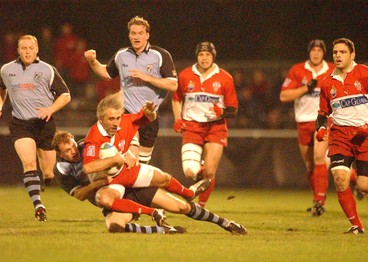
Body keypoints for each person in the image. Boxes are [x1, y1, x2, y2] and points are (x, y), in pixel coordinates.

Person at [52, 130, 247, 235]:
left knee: (181, 207)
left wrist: (127, 152)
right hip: (115, 198)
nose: (73, 151)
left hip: (130, 185)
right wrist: (96, 184)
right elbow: (78, 195)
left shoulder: (88, 146)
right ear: (59, 154)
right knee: (114, 227)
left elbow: (118, 141)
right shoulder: (61, 170)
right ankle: (161, 229)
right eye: (67, 151)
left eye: (72, 146)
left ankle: (226, 223)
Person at [82, 91, 211, 227]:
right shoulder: (94, 136)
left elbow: (147, 117)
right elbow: (87, 167)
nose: (116, 123)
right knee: (104, 199)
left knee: (164, 178)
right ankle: (152, 212)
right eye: (111, 119)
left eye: (117, 118)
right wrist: (114, 159)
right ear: (100, 120)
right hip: (108, 181)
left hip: (126, 171)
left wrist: (150, 112)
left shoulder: (126, 121)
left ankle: (189, 193)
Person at [0, 35, 71, 222]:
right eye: (23, 48)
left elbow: (65, 95)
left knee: (49, 172)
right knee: (29, 164)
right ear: (18, 50)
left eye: (30, 48)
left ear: (37, 50)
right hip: (21, 124)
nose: (27, 51)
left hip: (44, 124)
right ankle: (38, 205)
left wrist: (50, 109)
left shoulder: (47, 70)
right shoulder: (7, 69)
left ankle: (48, 181)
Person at [84, 16, 178, 164]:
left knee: (141, 165)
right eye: (133, 33)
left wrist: (147, 78)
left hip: (149, 115)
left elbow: (173, 85)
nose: (136, 37)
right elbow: (107, 74)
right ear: (129, 35)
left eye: (140, 33)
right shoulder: (122, 55)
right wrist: (93, 62)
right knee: (129, 158)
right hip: (127, 114)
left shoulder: (160, 55)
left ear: (147, 35)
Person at [171, 42, 238, 207]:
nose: (204, 58)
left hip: (216, 127)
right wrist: (178, 119)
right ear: (197, 56)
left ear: (213, 56)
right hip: (192, 126)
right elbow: (176, 98)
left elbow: (233, 109)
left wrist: (221, 112)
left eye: (208, 54)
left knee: (209, 171)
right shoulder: (186, 75)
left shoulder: (225, 78)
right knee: (189, 172)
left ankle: (201, 206)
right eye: (201, 54)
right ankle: (199, 171)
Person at [315, 38, 368, 234]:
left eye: (342, 52)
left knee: (364, 185)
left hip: (365, 136)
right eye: (335, 52)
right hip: (340, 136)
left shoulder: (364, 74)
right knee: (339, 178)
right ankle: (356, 226)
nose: (337, 55)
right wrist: (320, 129)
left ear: (352, 55)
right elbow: (322, 113)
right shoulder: (328, 83)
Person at [279, 39, 335, 216]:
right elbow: (283, 96)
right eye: (313, 50)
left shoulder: (332, 70)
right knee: (310, 164)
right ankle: (318, 198)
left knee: (320, 157)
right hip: (303, 122)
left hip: (325, 120)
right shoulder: (297, 70)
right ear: (309, 52)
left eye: (319, 50)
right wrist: (305, 88)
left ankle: (319, 201)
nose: (316, 53)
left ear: (323, 53)